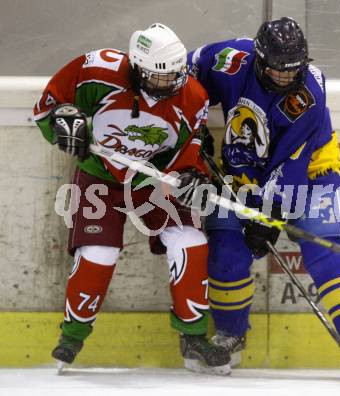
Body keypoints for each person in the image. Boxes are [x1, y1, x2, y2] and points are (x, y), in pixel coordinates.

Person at [33, 22, 230, 375]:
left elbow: (187, 151)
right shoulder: (98, 70)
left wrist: (189, 175)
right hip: (100, 174)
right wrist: (63, 118)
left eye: (174, 75)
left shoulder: (194, 96)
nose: (169, 83)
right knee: (98, 253)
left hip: (153, 181)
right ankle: (73, 334)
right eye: (159, 77)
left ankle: (194, 335)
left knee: (191, 242)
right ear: (138, 68)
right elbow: (50, 104)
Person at [188, 17, 340, 377]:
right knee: (226, 251)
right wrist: (192, 126)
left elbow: (289, 165)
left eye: (293, 69)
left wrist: (266, 218)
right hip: (244, 169)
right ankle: (230, 335)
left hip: (312, 171)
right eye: (277, 69)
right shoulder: (230, 58)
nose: (285, 77)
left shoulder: (309, 92)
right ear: (259, 58)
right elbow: (184, 74)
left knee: (326, 251)